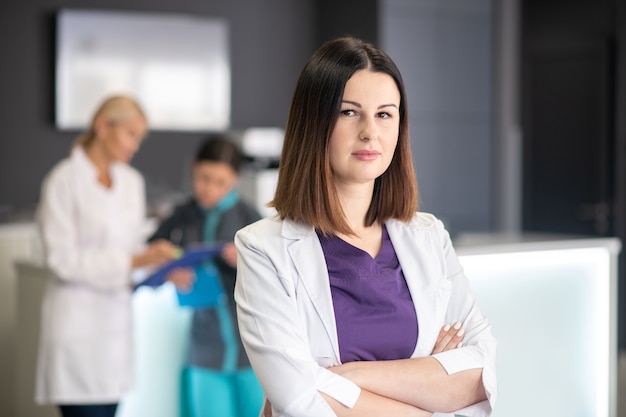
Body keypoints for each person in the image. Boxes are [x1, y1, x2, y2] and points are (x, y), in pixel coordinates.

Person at [234, 36, 497, 417]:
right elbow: (299, 400)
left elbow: (481, 373)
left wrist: (342, 378)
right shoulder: (262, 248)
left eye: (385, 114)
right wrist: (426, 383)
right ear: (314, 122)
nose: (370, 131)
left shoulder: (428, 236)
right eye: (349, 112)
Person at [35, 95, 186, 417]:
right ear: (102, 126)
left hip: (114, 334)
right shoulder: (63, 181)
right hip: (76, 330)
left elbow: (131, 250)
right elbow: (62, 261)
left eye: (139, 138)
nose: (135, 146)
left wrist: (160, 267)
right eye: (130, 134)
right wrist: (134, 262)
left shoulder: (131, 182)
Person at [148, 135, 263, 417]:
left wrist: (249, 263)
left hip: (254, 351)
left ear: (235, 180)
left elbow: (282, 275)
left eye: (220, 182)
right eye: (203, 178)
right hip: (204, 349)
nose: (209, 189)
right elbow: (151, 254)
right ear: (193, 170)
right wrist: (168, 271)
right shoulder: (182, 215)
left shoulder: (250, 216)